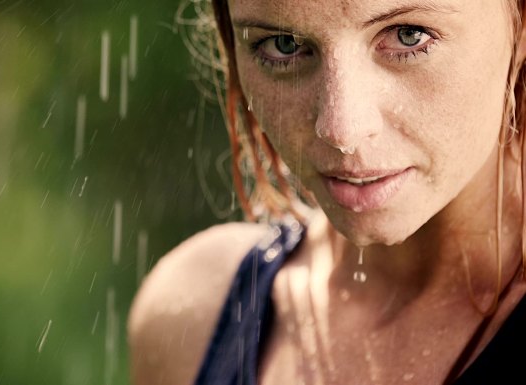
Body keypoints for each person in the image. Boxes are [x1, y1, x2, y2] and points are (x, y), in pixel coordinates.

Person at [128, 0, 526, 384]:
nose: (341, 130)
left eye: (408, 35)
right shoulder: (193, 321)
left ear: (520, 21)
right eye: (283, 45)